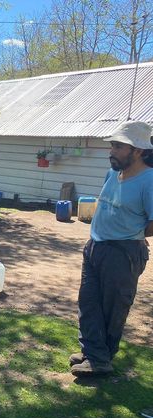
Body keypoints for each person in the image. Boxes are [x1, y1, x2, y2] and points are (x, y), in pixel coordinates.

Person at [70, 121, 153, 377]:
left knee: (113, 307)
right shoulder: (112, 173)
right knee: (89, 302)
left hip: (123, 252)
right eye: (112, 145)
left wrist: (129, 234)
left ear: (137, 150)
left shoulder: (149, 181)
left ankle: (101, 360)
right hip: (96, 245)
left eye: (118, 146)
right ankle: (92, 351)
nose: (111, 151)